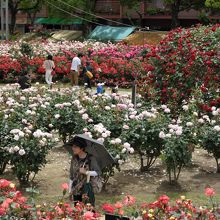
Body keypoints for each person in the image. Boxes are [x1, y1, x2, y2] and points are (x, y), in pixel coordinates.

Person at [68, 137, 101, 206]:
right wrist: (70, 190)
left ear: (82, 148)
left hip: (87, 189)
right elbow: (71, 174)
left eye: (75, 147)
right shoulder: (74, 158)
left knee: (88, 210)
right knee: (77, 211)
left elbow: (98, 172)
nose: (73, 148)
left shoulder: (91, 159)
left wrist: (86, 172)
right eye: (73, 146)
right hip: (76, 189)